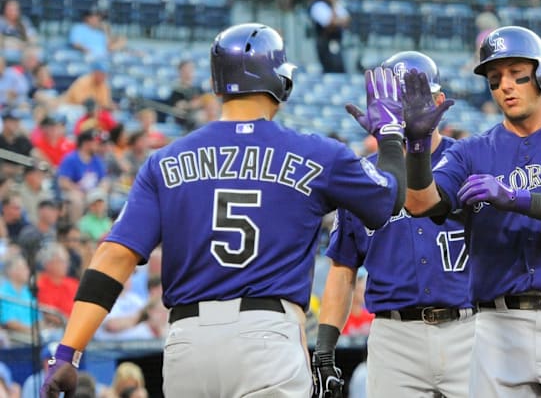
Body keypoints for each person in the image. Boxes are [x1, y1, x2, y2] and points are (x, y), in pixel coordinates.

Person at [40, 22, 407, 398]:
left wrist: (69, 352)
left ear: (217, 85)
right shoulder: (317, 153)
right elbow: (388, 200)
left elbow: (114, 256)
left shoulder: (164, 161)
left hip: (187, 342)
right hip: (266, 335)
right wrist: (391, 135)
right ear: (281, 82)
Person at [401, 26, 541, 397]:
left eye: (517, 75)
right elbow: (420, 203)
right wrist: (415, 146)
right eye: (495, 79)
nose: (505, 86)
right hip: (498, 327)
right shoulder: (471, 152)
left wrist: (519, 198)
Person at [313, 51, 474, 398]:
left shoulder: (470, 160)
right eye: (399, 100)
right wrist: (325, 347)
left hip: (470, 327)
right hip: (394, 334)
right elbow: (343, 268)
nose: (408, 109)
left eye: (417, 97)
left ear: (439, 101)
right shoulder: (363, 176)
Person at [308, 0, 349, 73]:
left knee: (340, 69)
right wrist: (334, 6)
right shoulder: (317, 5)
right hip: (325, 44)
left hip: (336, 42)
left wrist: (334, 5)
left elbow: (347, 20)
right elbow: (330, 23)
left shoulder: (335, 4)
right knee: (331, 69)